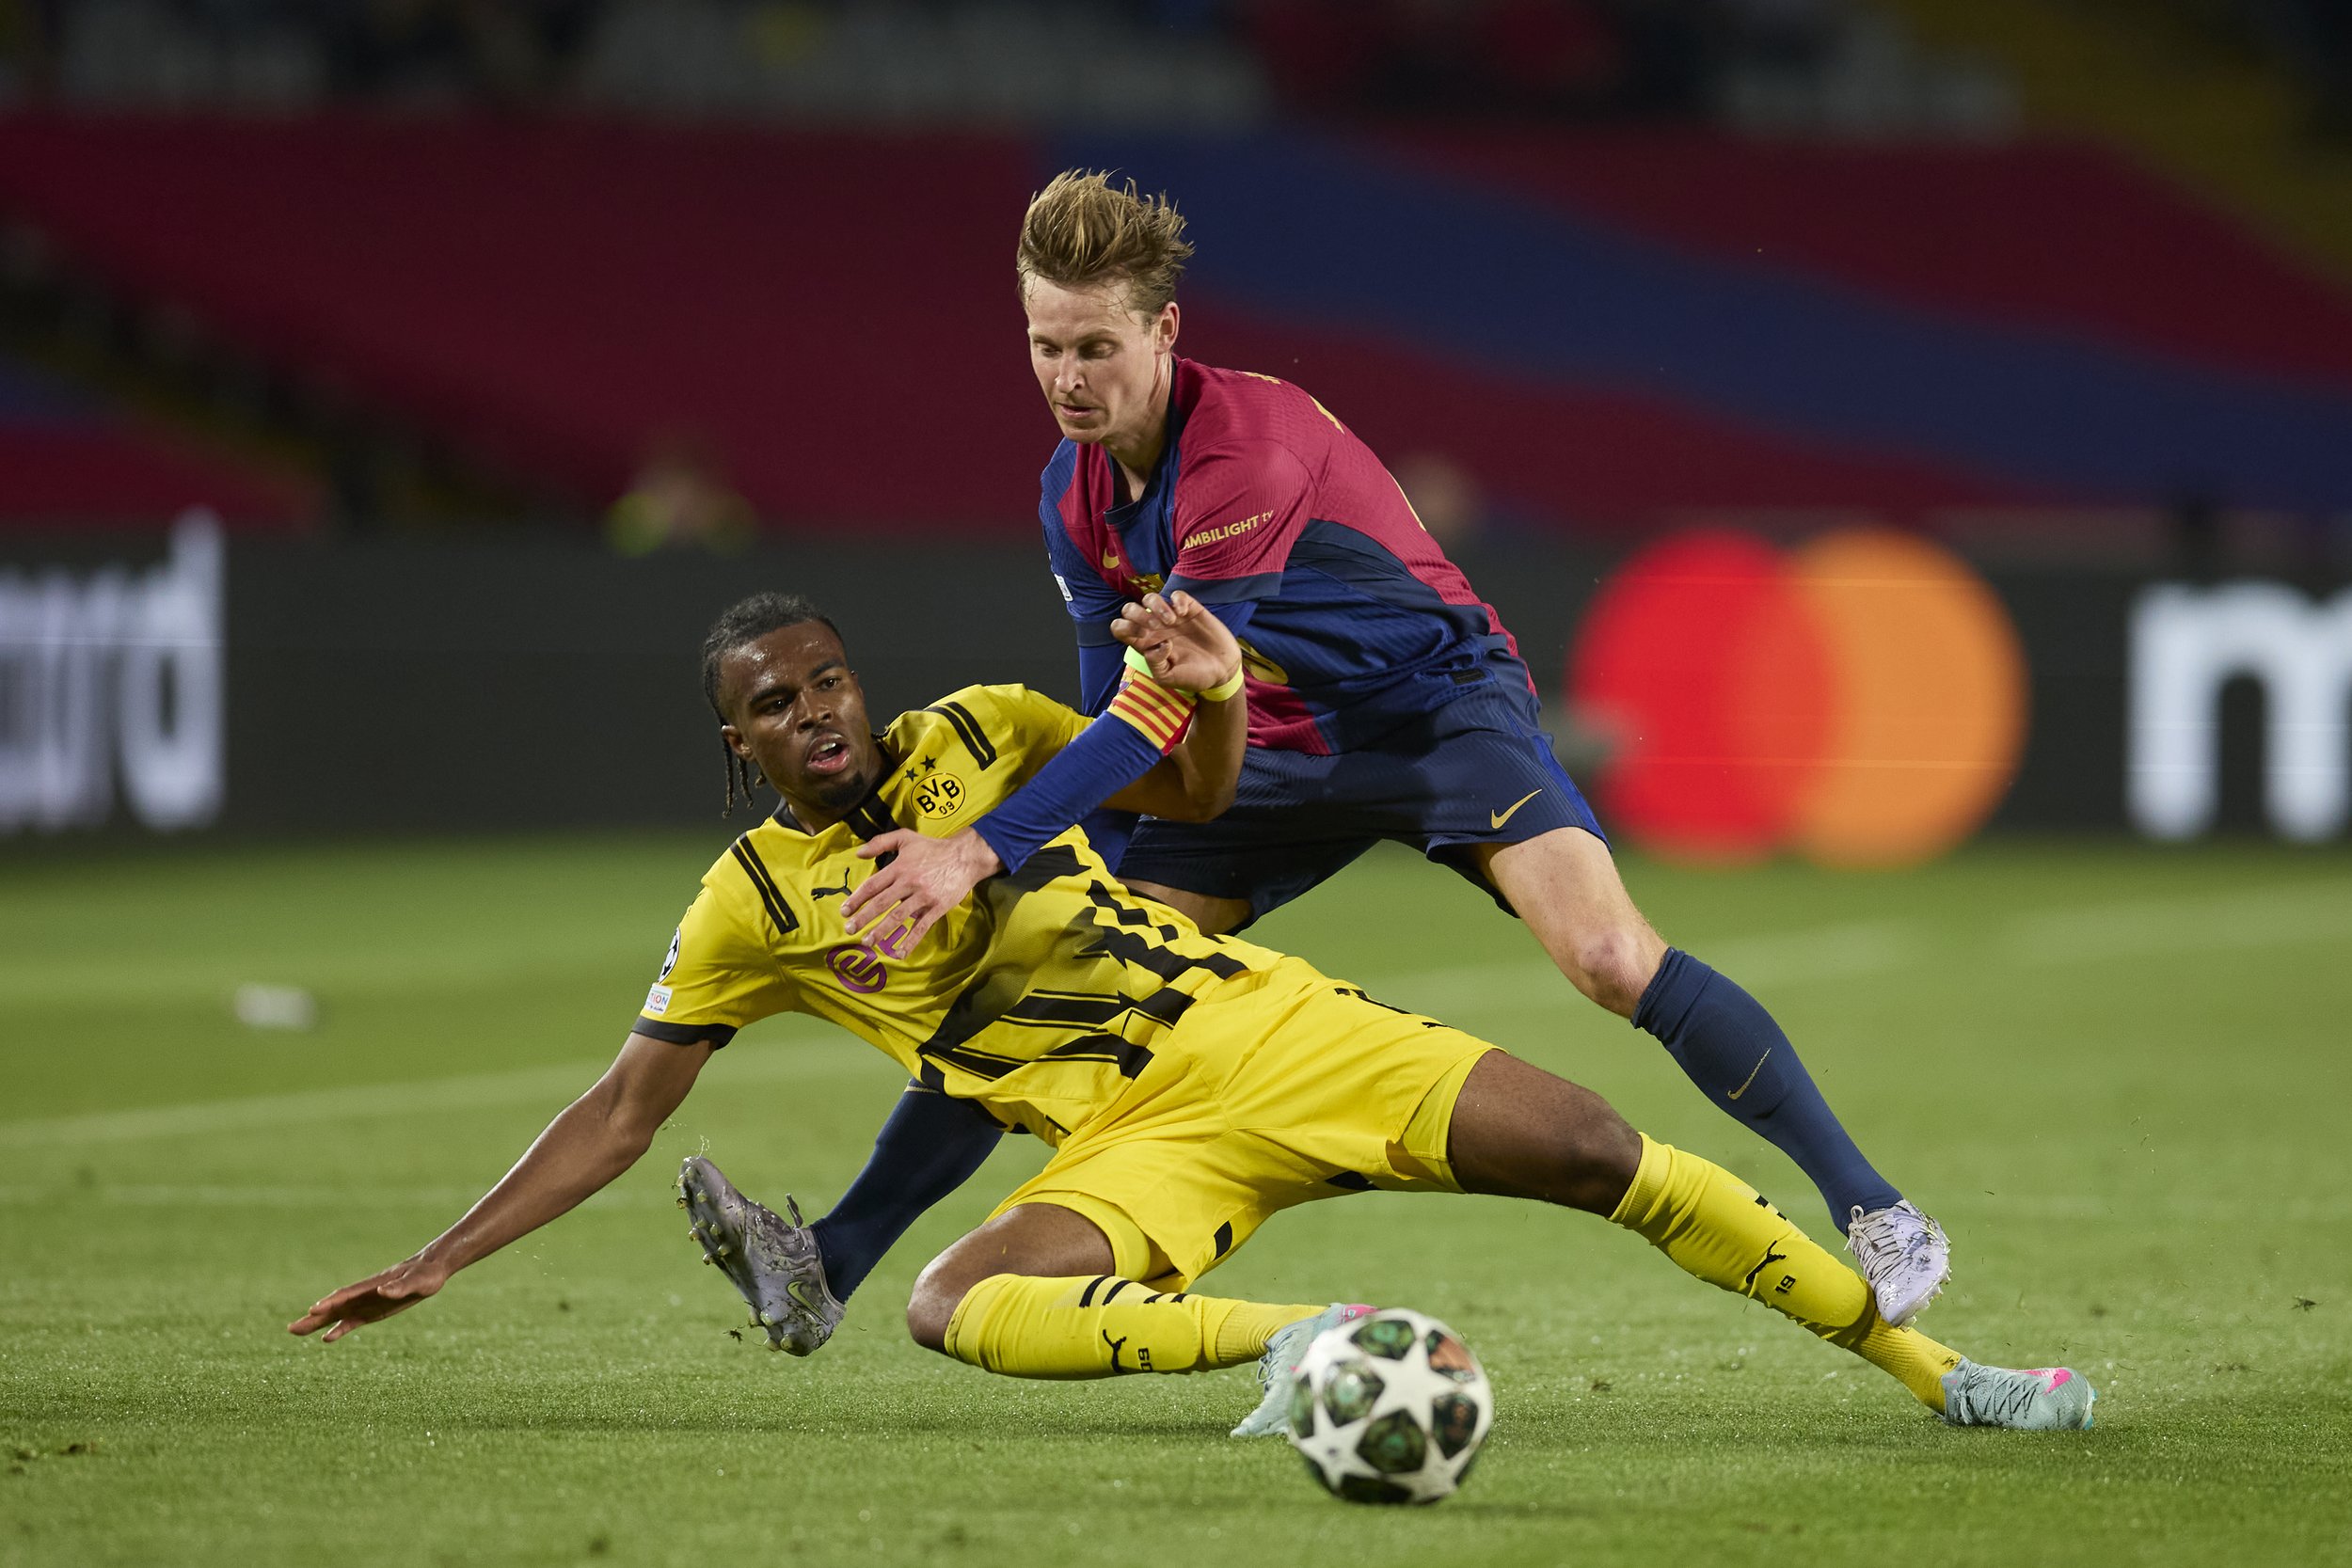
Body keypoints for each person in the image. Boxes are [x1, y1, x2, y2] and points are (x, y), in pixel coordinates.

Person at [286, 593, 2091, 1438]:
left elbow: (1203, 788)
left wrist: (1207, 701)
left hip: (1273, 1028)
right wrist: (442, 1257)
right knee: (948, 1299)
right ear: (736, 743)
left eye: (830, 675)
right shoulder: (745, 912)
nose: (820, 708)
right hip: (1133, 1140)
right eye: (776, 700)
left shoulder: (982, 733)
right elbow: (621, 1110)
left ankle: (1950, 1375)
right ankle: (1320, 1341)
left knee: (1604, 1149)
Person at [813, 169, 1950, 1345]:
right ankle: (830, 1259)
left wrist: (975, 847)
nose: (1066, 377)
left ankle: (1876, 1205)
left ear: (1164, 330)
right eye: (1045, 345)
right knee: (1071, 979)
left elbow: (1151, 713)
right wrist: (1049, 883)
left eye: (1095, 345)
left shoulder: (1243, 453)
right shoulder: (1073, 490)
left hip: (1435, 712)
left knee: (1610, 956)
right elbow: (1111, 713)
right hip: (1273, 744)